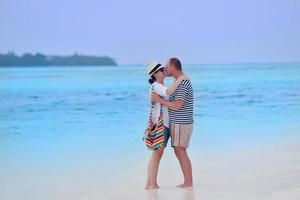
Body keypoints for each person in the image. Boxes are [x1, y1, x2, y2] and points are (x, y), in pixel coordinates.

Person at [151, 58, 194, 188]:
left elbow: (176, 105)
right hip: (178, 123)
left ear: (173, 67)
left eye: (167, 67)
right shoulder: (178, 82)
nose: (165, 70)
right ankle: (187, 182)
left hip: (181, 122)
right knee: (179, 151)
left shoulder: (182, 83)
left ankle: (188, 183)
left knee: (180, 151)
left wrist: (159, 100)